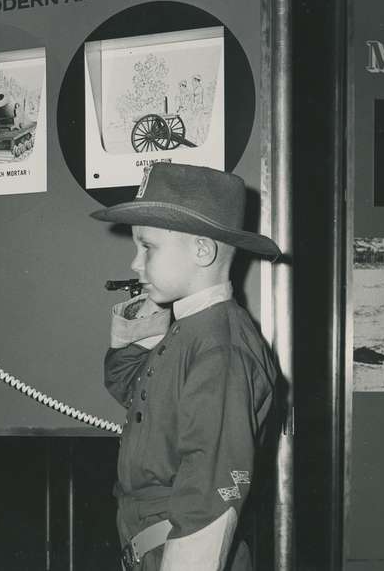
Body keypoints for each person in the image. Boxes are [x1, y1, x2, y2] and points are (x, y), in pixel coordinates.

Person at [91, 162, 280, 571]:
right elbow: (137, 395)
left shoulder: (220, 348)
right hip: (151, 550)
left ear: (201, 250)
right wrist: (138, 330)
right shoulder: (189, 329)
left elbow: (210, 493)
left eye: (147, 247)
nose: (135, 264)